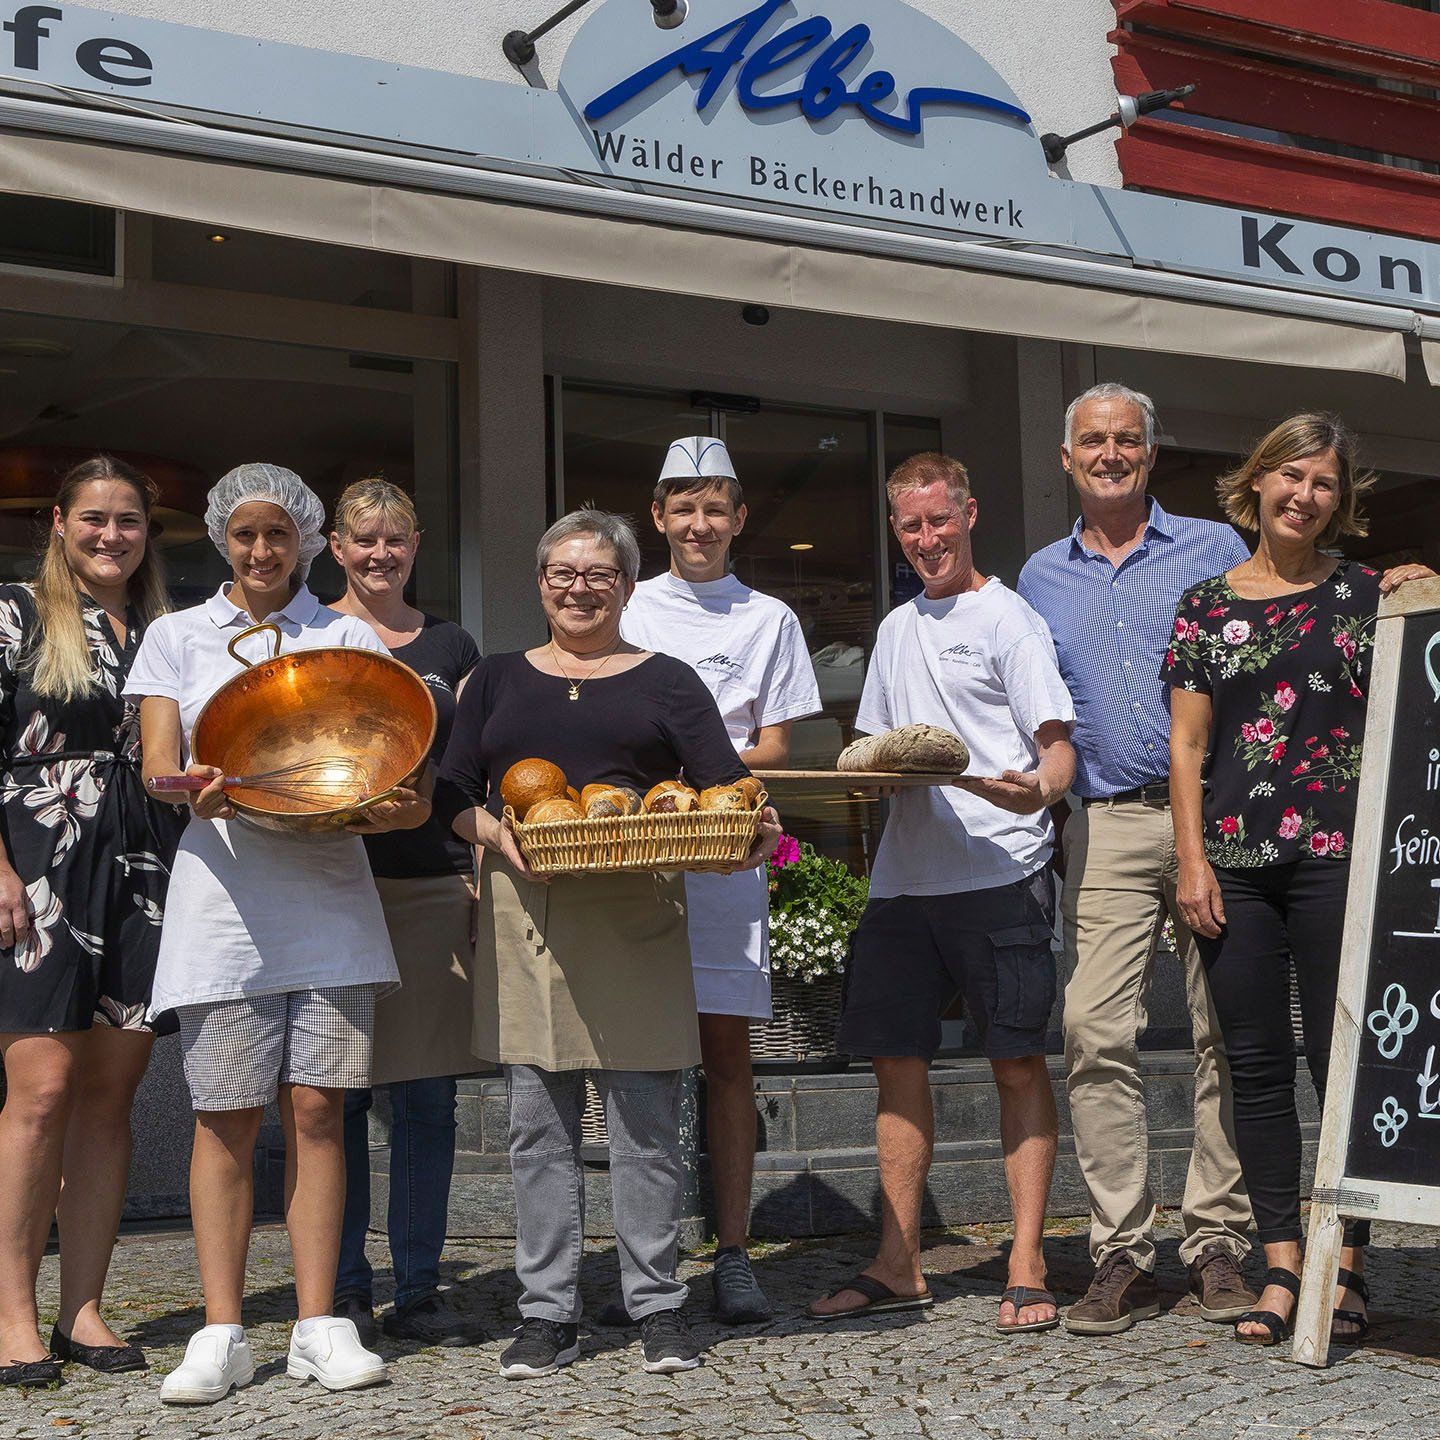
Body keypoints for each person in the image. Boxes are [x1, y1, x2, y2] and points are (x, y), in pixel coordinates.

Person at [435, 508, 781, 1380]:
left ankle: (657, 1305)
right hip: (530, 913)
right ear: (541, 582)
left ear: (627, 585)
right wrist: (494, 835)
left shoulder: (666, 681)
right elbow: (451, 791)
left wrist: (754, 826)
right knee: (536, 1128)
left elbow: (726, 790)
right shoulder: (497, 679)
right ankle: (547, 1313)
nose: (579, 587)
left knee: (645, 1127)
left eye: (598, 574)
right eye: (562, 572)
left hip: (637, 910)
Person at [127, 463, 429, 1404]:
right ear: (222, 537)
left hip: (331, 908)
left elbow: (388, 776)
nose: (263, 552)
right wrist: (198, 790)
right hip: (222, 913)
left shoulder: (342, 635)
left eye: (280, 535)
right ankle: (222, 1331)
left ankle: (317, 1324)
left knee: (319, 1112)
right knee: (224, 1118)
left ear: (307, 538)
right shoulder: (176, 635)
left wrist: (389, 810)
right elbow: (156, 769)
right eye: (246, 535)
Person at [1166, 413, 1434, 1346]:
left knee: (1342, 1065)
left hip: (1341, 866)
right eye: (1289, 476)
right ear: (1258, 482)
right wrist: (1190, 860)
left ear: (1339, 499)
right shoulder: (1204, 604)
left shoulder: (1371, 595)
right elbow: (1189, 745)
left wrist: (1426, 590)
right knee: (1255, 1069)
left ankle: (1345, 1271)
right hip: (1233, 867)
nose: (1303, 496)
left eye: (1322, 483)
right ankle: (1283, 1267)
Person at [809, 452, 1075, 1335]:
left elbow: (1057, 752)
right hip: (903, 881)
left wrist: (1034, 790)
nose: (927, 539)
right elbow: (883, 749)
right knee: (895, 1064)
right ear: (898, 530)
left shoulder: (1010, 619)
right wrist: (862, 780)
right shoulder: (892, 629)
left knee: (1016, 1061)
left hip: (1000, 867)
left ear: (968, 514)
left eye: (940, 521)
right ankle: (901, 1263)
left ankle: (1028, 1260)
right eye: (911, 525)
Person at [1016, 382, 1256, 1335]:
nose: (1110, 453)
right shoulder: (1040, 577)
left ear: (1150, 457)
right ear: (1067, 460)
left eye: (1127, 441)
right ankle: (1121, 1247)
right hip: (1110, 821)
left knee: (1221, 1028)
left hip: (1220, 817)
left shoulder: (1216, 549)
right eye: (1092, 442)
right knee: (1092, 1027)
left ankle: (1217, 1241)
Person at [620, 436, 821, 1324]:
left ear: (739, 520)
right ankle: (651, 1253)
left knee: (729, 1058)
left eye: (716, 509)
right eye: (683, 507)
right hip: (634, 862)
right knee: (643, 1059)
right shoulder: (627, 607)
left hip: (729, 860)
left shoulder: (766, 617)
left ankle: (733, 1251)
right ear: (657, 516)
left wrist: (697, 772)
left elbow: (778, 744)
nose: (699, 525)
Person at [0, 456, 183, 1387]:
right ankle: (11, 1319)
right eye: (94, 519)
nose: (112, 536)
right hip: (39, 857)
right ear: (59, 523)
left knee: (112, 1095)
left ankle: (83, 1309)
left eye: (129, 522)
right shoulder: (14, 615)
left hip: (147, 863)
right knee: (39, 1093)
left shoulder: (168, 629)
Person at [328, 478, 483, 1348]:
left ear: (416, 543)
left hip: (430, 887)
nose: (380, 554)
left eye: (394, 539)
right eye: (363, 540)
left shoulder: (452, 642)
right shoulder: (315, 634)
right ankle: (345, 1289)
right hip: (334, 884)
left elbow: (466, 774)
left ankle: (419, 1289)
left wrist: (476, 880)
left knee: (427, 1100)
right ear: (337, 548)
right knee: (338, 1101)